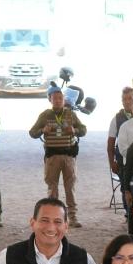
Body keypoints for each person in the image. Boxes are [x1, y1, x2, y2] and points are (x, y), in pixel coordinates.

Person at [29, 86, 88, 228]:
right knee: (52, 189)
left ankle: (72, 217)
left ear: (64, 100)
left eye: (60, 98)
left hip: (69, 155)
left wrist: (74, 130)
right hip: (52, 156)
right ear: (50, 100)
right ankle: (52, 217)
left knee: (70, 188)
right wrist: (43, 130)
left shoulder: (71, 114)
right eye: (55, 98)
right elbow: (32, 132)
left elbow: (84, 130)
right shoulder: (45, 115)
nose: (58, 101)